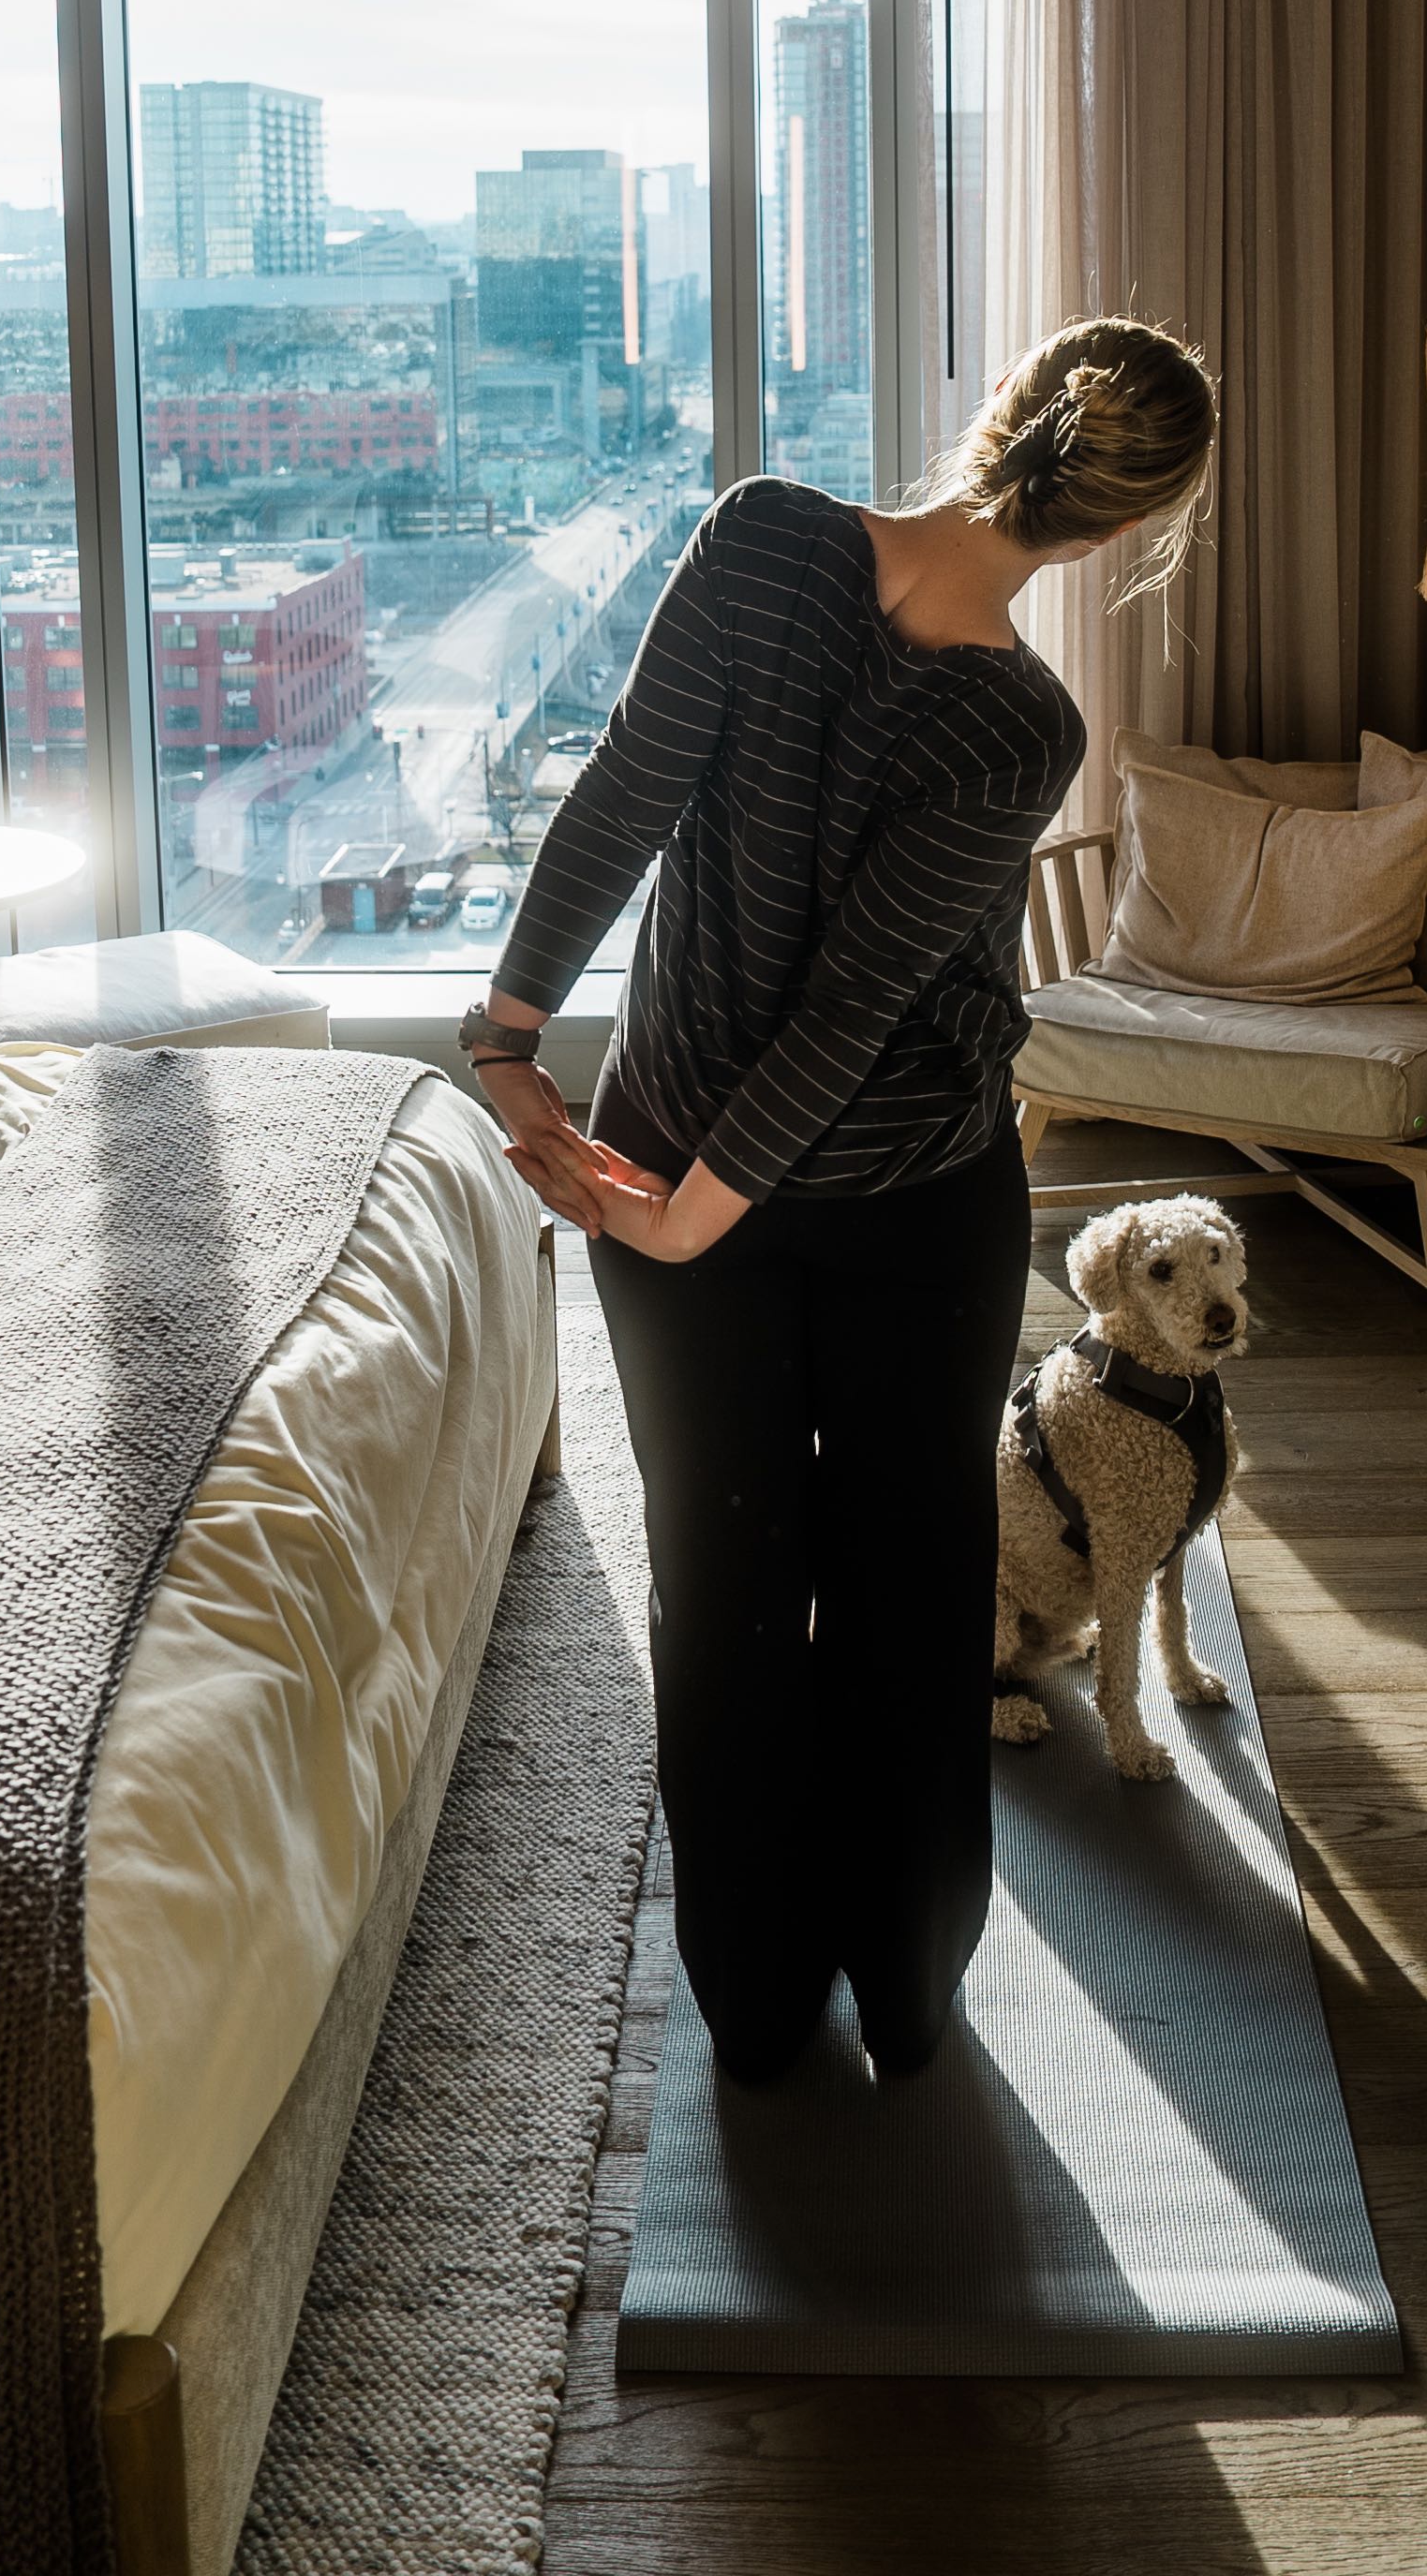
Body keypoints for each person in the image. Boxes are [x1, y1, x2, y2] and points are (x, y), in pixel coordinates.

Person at [462, 316, 1218, 2089]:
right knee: (911, 1578)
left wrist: (510, 1037)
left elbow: (625, 793)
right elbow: (860, 1005)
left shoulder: (764, 538)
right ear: (1116, 533)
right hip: (908, 1204)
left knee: (721, 1583)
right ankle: (909, 1992)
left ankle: (753, 2010)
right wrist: (670, 1212)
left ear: (996, 411)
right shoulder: (1026, 724)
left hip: (675, 1173)